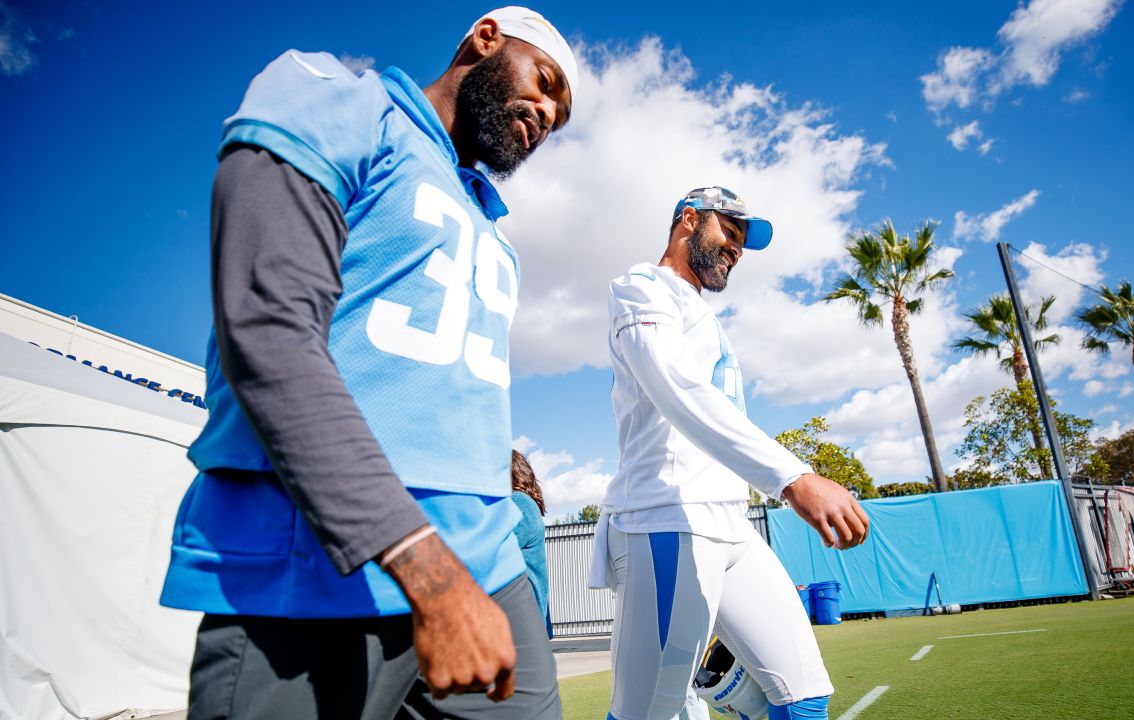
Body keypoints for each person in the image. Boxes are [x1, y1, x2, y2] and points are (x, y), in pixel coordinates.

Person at [158, 7, 576, 719]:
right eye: (544, 82)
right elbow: (269, 325)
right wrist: (427, 570)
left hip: (486, 561)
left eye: (560, 116)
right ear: (485, 38)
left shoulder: (489, 220)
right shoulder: (342, 101)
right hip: (321, 557)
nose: (545, 112)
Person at [592, 187, 872, 720]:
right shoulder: (641, 288)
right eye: (730, 232)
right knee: (645, 714)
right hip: (666, 522)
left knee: (804, 696)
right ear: (688, 220)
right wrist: (793, 477)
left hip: (731, 526)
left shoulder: (701, 313)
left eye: (744, 241)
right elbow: (677, 390)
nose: (737, 249)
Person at [511, 449, 553, 637]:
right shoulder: (524, 504)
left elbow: (486, 550)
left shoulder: (519, 503)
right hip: (525, 623)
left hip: (522, 625)